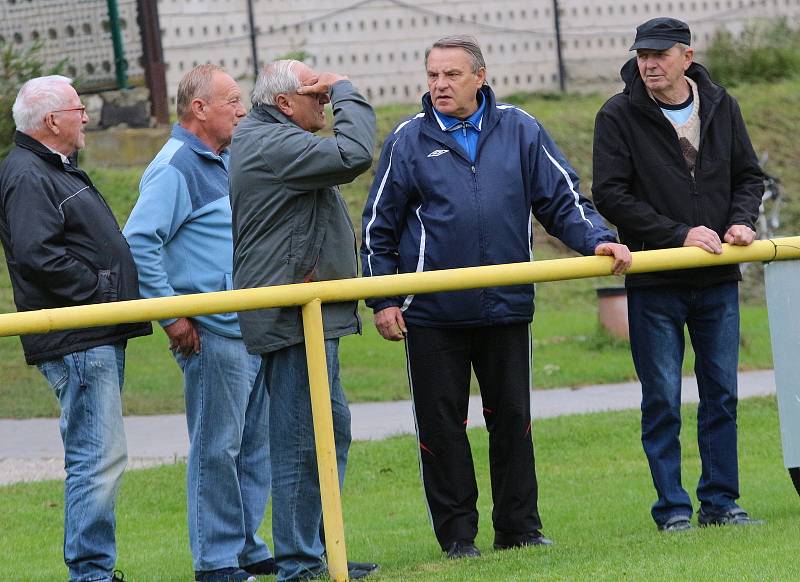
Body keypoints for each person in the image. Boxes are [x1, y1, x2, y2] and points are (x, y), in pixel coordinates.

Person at [361, 35, 631, 559]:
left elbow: (562, 198)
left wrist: (597, 237)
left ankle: (519, 528)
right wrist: (383, 298)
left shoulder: (520, 129)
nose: (439, 85)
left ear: (479, 77)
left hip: (506, 304)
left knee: (512, 419)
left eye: (451, 75)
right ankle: (458, 538)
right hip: (432, 313)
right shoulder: (406, 141)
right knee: (442, 427)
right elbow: (378, 226)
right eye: (433, 75)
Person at [592, 17, 765, 531]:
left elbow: (748, 176)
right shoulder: (618, 114)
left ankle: (721, 504)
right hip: (655, 281)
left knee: (722, 395)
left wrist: (740, 220)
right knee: (662, 399)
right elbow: (612, 195)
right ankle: (671, 511)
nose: (649, 63)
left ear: (686, 57)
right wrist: (679, 233)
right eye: (643, 54)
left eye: (660, 54)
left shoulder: (721, 104)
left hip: (716, 280)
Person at [229, 60, 379, 582]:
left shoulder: (274, 139)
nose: (324, 102)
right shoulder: (272, 142)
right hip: (293, 315)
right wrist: (346, 87)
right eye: (315, 93)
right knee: (299, 440)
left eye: (326, 93)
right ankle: (299, 562)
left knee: (326, 432)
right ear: (285, 103)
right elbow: (354, 153)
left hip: (306, 313)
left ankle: (317, 548)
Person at [123, 65, 273, 582]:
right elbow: (139, 242)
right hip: (212, 334)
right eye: (231, 100)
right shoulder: (174, 166)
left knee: (255, 447)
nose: (241, 109)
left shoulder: (226, 158)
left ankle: (247, 549)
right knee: (218, 449)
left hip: (249, 328)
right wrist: (171, 315)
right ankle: (216, 563)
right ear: (199, 109)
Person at [0, 76, 152, 582]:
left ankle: (94, 571)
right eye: (78, 108)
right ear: (51, 121)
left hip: (91, 334)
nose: (86, 116)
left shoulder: (51, 169)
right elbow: (36, 254)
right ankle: (91, 574)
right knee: (97, 457)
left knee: (101, 454)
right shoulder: (28, 173)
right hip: (77, 338)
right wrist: (102, 288)